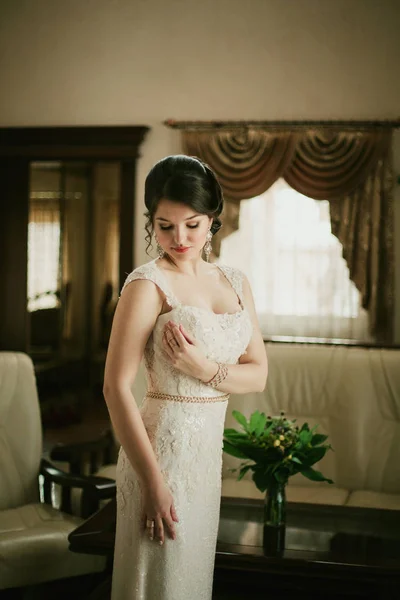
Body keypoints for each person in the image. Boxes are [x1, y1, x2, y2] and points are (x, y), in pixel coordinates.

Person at [103, 155, 268, 600]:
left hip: (205, 462)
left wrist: (205, 370)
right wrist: (154, 482)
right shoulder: (146, 285)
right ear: (150, 222)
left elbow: (258, 375)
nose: (179, 239)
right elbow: (116, 387)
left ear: (213, 219)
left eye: (192, 225)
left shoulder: (235, 282)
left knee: (189, 584)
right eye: (165, 225)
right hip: (158, 458)